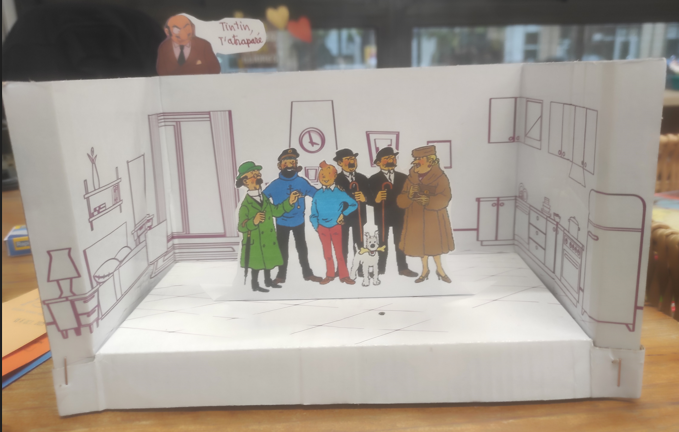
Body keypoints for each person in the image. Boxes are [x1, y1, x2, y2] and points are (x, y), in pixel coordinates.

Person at [236, 161, 301, 293]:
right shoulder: (246, 204)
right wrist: (253, 221)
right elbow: (241, 226)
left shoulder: (264, 198)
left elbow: (275, 211)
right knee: (256, 264)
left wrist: (289, 202)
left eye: (258, 174)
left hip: (268, 238)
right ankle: (255, 285)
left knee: (268, 261)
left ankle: (268, 281)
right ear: (245, 181)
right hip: (255, 241)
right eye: (254, 175)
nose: (258, 177)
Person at [396, 146, 455, 283]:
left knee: (434, 244)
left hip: (434, 217)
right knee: (420, 246)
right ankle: (424, 271)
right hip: (415, 216)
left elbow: (445, 197)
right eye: (415, 158)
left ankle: (440, 270)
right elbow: (401, 199)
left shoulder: (440, 176)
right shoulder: (411, 177)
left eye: (419, 159)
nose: (415, 161)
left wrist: (428, 200)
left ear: (430, 160)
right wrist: (409, 195)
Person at [263, 149, 323, 284]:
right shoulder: (275, 184)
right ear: (279, 166)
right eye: (286, 163)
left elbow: (316, 194)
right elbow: (262, 200)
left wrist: (329, 191)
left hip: (298, 221)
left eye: (292, 162)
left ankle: (308, 274)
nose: (289, 165)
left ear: (296, 164)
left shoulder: (301, 182)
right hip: (281, 222)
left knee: (302, 248)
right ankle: (281, 275)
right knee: (282, 249)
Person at [369, 147, 418, 278]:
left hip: (399, 216)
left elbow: (409, 196)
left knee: (400, 243)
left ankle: (403, 268)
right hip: (382, 216)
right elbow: (367, 198)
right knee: (382, 243)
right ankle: (380, 268)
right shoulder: (373, 179)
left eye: (393, 158)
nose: (391, 160)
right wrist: (376, 199)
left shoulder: (404, 178)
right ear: (378, 162)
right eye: (386, 158)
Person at [310, 161, 358, 285]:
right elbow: (313, 213)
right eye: (322, 175)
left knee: (339, 253)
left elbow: (353, 204)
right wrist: (316, 226)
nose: (325, 177)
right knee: (327, 253)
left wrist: (343, 214)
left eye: (328, 175)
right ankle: (330, 275)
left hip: (336, 226)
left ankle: (344, 275)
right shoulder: (317, 194)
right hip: (322, 228)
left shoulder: (339, 192)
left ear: (335, 176)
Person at [156, 14, 220, 76]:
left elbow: (215, 69)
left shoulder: (204, 45)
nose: (183, 33)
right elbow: (161, 72)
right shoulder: (164, 47)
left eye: (186, 27)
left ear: (192, 27)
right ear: (167, 31)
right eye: (177, 29)